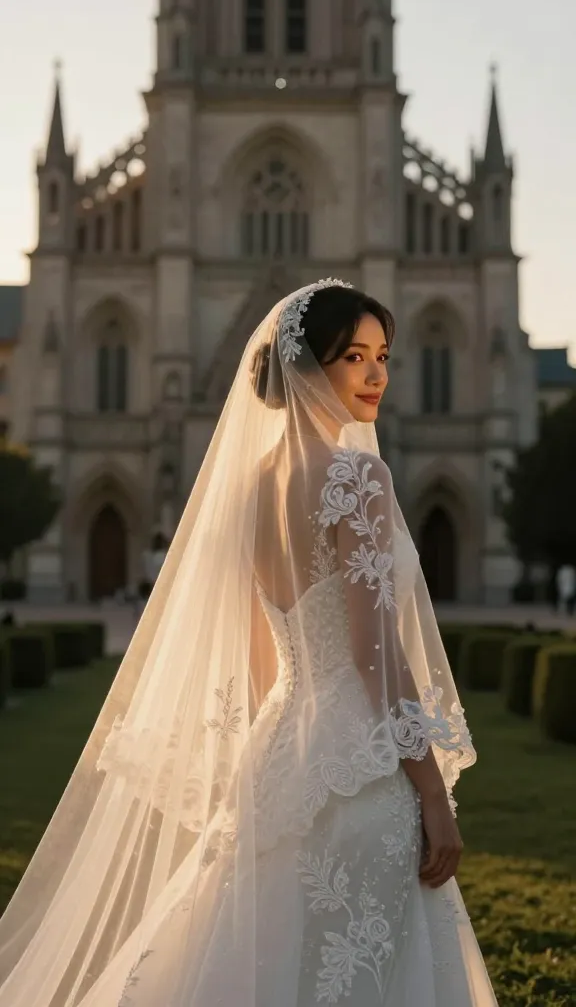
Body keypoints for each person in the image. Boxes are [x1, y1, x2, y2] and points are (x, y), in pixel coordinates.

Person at [0, 281, 498, 1006]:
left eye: (383, 355)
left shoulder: (251, 487)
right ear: (303, 369)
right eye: (353, 356)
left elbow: (265, 653)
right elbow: (374, 651)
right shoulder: (358, 476)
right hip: (356, 765)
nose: (377, 375)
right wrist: (431, 792)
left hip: (277, 756)